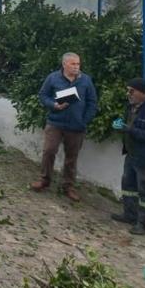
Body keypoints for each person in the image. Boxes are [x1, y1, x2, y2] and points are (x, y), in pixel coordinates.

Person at [30, 52, 98, 202]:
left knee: (71, 158)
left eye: (78, 64)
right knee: (49, 151)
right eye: (73, 64)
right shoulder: (53, 78)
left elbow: (92, 103)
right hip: (55, 122)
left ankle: (68, 186)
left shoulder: (85, 80)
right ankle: (44, 180)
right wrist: (53, 104)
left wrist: (84, 120)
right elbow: (43, 95)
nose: (76, 67)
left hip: (76, 126)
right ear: (64, 64)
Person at [110, 77, 145, 235]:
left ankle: (144, 225)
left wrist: (129, 130)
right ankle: (130, 215)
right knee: (128, 187)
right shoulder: (132, 106)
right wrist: (121, 125)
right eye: (128, 90)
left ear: (143, 93)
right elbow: (129, 123)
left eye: (132, 91)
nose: (128, 94)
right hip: (132, 154)